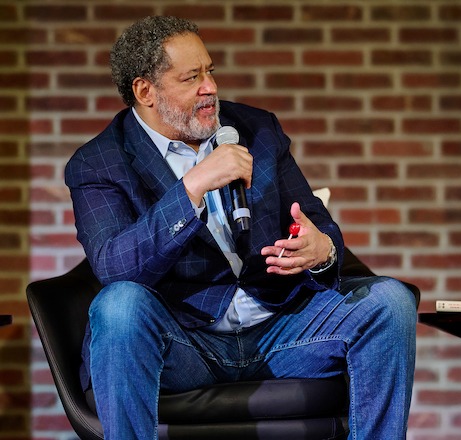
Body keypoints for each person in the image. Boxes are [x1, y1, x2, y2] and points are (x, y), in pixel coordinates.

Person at [65, 15, 417, 440]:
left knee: (390, 302)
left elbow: (319, 222)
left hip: (279, 328)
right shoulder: (98, 163)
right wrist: (192, 186)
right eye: (191, 77)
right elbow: (115, 269)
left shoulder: (255, 129)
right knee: (118, 305)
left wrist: (321, 248)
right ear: (145, 92)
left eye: (210, 70)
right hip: (184, 343)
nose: (210, 86)